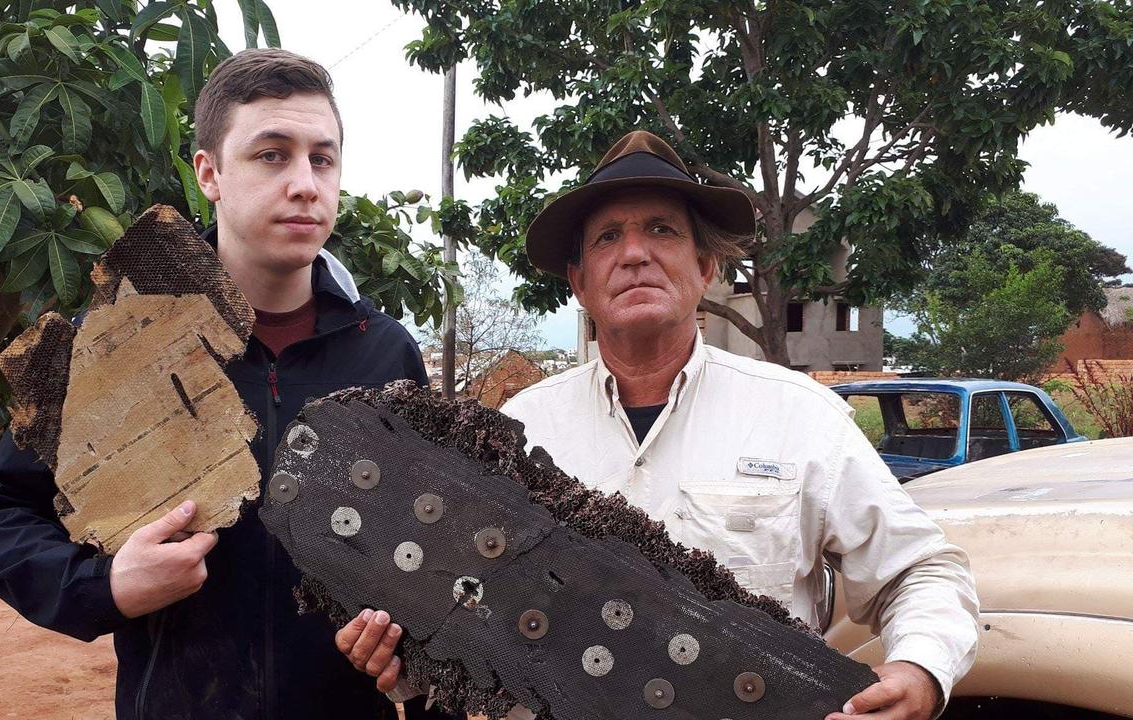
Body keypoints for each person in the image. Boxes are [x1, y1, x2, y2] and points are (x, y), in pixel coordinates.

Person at [338, 131, 980, 720]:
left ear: (706, 268)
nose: (636, 253)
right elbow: (464, 607)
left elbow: (920, 573)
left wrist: (919, 670)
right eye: (608, 238)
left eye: (662, 230)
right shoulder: (517, 431)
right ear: (580, 284)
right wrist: (401, 654)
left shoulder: (800, 418)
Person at [0, 48, 452, 720]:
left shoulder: (386, 352)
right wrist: (107, 585)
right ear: (208, 173)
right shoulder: (123, 339)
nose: (305, 183)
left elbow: (432, 555)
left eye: (322, 158)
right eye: (272, 155)